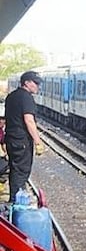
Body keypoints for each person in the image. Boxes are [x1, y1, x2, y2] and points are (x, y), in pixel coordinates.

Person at [4, 71, 44, 201]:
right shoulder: (26, 98)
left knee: (15, 170)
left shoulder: (11, 96)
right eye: (36, 83)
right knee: (21, 171)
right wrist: (38, 141)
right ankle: (18, 203)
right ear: (27, 83)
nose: (38, 86)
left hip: (10, 138)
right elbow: (29, 120)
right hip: (21, 141)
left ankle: (14, 199)